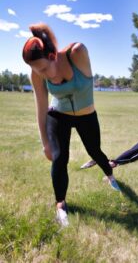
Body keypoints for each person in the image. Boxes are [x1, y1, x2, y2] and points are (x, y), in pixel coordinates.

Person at [22, 23, 120, 227]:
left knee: (94, 151)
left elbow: (76, 54)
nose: (42, 74)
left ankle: (110, 176)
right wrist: (45, 143)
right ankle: (60, 204)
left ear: (52, 56)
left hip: (87, 115)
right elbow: (41, 107)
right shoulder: (37, 73)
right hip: (59, 114)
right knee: (59, 158)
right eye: (36, 70)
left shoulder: (77, 54)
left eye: (43, 69)